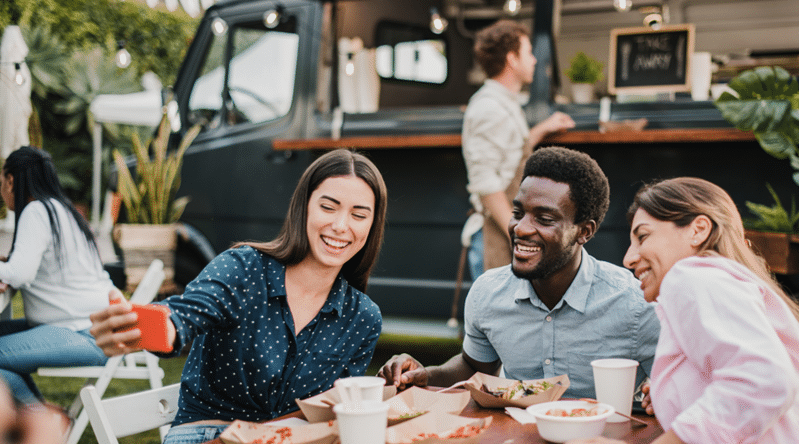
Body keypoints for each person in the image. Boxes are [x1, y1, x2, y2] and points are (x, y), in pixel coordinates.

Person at [89, 149, 388, 444]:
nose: (340, 225)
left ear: (372, 225)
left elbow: (339, 412)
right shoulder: (244, 269)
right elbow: (183, 316)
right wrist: (142, 328)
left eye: (358, 214)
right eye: (328, 207)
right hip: (206, 434)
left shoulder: (363, 317)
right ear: (305, 207)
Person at [379, 147, 659, 399]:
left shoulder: (636, 304)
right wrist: (427, 374)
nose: (521, 228)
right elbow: (474, 366)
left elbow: (671, 390)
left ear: (584, 231)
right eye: (518, 212)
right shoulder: (488, 291)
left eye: (544, 219)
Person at [578, 177, 799, 443]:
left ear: (698, 230)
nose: (628, 258)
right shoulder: (726, 281)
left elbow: (763, 380)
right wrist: (676, 388)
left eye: (643, 236)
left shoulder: (690, 277)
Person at [461, 19, 575, 280]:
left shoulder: (504, 103)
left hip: (507, 231)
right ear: (512, 59)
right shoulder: (488, 108)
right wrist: (517, 234)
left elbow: (508, 156)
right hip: (495, 236)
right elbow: (487, 184)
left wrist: (539, 131)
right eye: (528, 53)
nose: (534, 60)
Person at [0, 146, 112, 405]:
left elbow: (18, 274)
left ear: (11, 180)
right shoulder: (61, 209)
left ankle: (45, 429)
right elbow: (27, 266)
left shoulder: (36, 211)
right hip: (96, 328)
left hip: (84, 333)